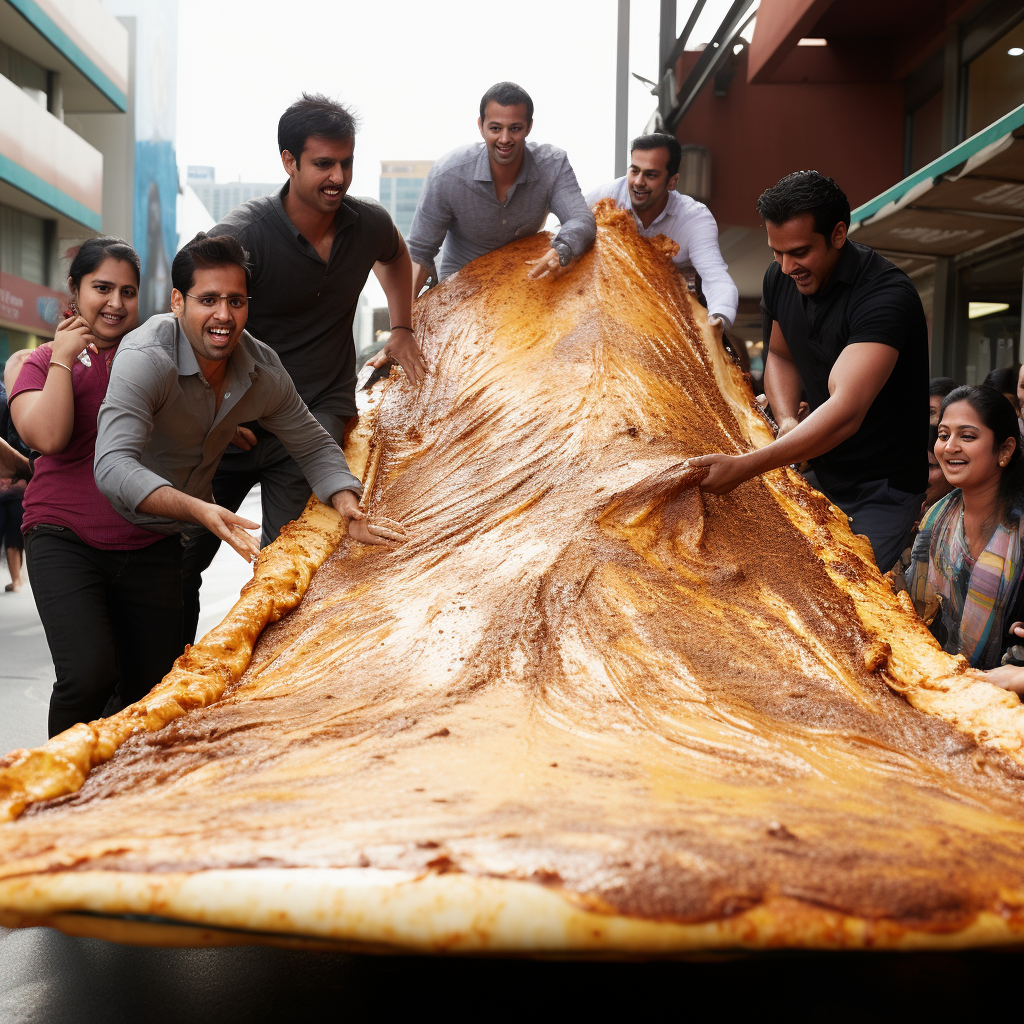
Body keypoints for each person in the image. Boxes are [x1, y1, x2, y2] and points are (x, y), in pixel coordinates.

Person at [181, 94, 425, 643]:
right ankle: (158, 683)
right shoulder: (244, 234)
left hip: (314, 416)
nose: (338, 176)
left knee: (288, 566)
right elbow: (192, 316)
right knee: (180, 555)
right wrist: (209, 410)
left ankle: (268, 684)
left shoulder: (368, 224)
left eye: (346, 163)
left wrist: (403, 326)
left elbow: (395, 255)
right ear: (288, 161)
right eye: (323, 164)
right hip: (232, 426)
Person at [94, 234, 405, 642]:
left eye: (235, 301)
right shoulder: (146, 358)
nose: (224, 315)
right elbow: (113, 465)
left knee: (168, 663)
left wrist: (348, 504)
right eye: (208, 300)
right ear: (177, 302)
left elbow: (311, 443)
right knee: (96, 677)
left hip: (171, 540)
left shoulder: (261, 368)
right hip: (106, 533)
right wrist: (200, 509)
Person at [686, 171, 928, 572]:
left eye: (799, 252)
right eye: (776, 252)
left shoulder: (887, 295)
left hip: (882, 490)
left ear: (837, 234)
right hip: (818, 470)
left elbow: (846, 410)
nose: (786, 267)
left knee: (849, 591)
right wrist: (785, 419)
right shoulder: (779, 279)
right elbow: (780, 356)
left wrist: (748, 465)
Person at [7, 237, 185, 736]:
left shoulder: (155, 357)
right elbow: (47, 436)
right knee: (87, 674)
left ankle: (122, 800)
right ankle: (52, 793)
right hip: (63, 537)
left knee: (152, 694)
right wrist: (64, 357)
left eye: (127, 292)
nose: (115, 303)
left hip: (149, 541)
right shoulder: (33, 363)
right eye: (101, 288)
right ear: (75, 289)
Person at [404, 81, 597, 295]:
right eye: (495, 128)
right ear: (481, 126)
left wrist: (561, 249)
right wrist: (404, 322)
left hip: (522, 280)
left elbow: (580, 218)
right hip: (460, 282)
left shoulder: (553, 164)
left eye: (515, 128)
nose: (505, 139)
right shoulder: (447, 173)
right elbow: (419, 252)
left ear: (529, 126)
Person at [907, 385, 1024, 679]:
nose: (949, 447)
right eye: (944, 435)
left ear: (1005, 450)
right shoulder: (935, 518)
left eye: (967, 436)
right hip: (934, 683)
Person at [585, 133, 738, 331]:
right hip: (608, 306)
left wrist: (719, 318)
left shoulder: (694, 218)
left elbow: (715, 277)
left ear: (672, 182)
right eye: (634, 171)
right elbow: (570, 230)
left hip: (673, 317)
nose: (638, 182)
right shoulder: (605, 197)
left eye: (650, 175)